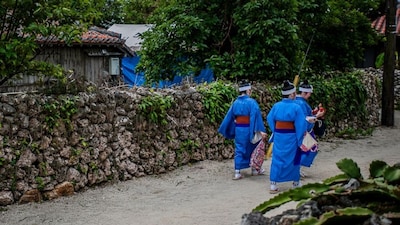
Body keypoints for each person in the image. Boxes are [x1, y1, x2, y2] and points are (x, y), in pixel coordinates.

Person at [218, 80, 268, 180]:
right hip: (250, 128)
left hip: (239, 129)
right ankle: (254, 169)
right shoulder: (252, 102)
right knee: (253, 148)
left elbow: (229, 117)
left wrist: (228, 128)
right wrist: (258, 130)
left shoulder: (235, 103)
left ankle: (237, 172)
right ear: (248, 91)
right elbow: (255, 117)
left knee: (239, 149)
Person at [266, 80, 307, 193]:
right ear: (292, 94)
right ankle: (295, 182)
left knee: (277, 158)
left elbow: (270, 118)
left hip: (279, 135)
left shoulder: (276, 106)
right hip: (292, 136)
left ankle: (273, 184)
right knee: (294, 158)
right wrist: (300, 139)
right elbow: (301, 124)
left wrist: (275, 130)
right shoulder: (296, 107)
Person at [295, 80, 325, 177]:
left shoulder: (296, 101)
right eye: (309, 94)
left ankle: (297, 167)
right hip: (303, 130)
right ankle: (297, 168)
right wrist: (317, 115)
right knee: (310, 149)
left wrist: (313, 113)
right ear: (304, 93)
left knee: (303, 150)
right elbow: (304, 119)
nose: (310, 96)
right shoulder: (301, 103)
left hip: (296, 130)